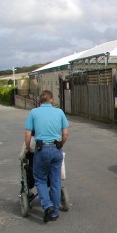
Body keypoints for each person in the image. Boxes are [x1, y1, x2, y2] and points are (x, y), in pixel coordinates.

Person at [24, 90, 69, 223]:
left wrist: (27, 148)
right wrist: (60, 144)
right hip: (56, 149)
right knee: (55, 180)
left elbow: (28, 134)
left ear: (40, 100)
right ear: (51, 99)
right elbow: (65, 133)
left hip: (41, 149)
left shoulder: (34, 112)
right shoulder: (59, 112)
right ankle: (54, 213)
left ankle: (47, 205)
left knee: (40, 179)